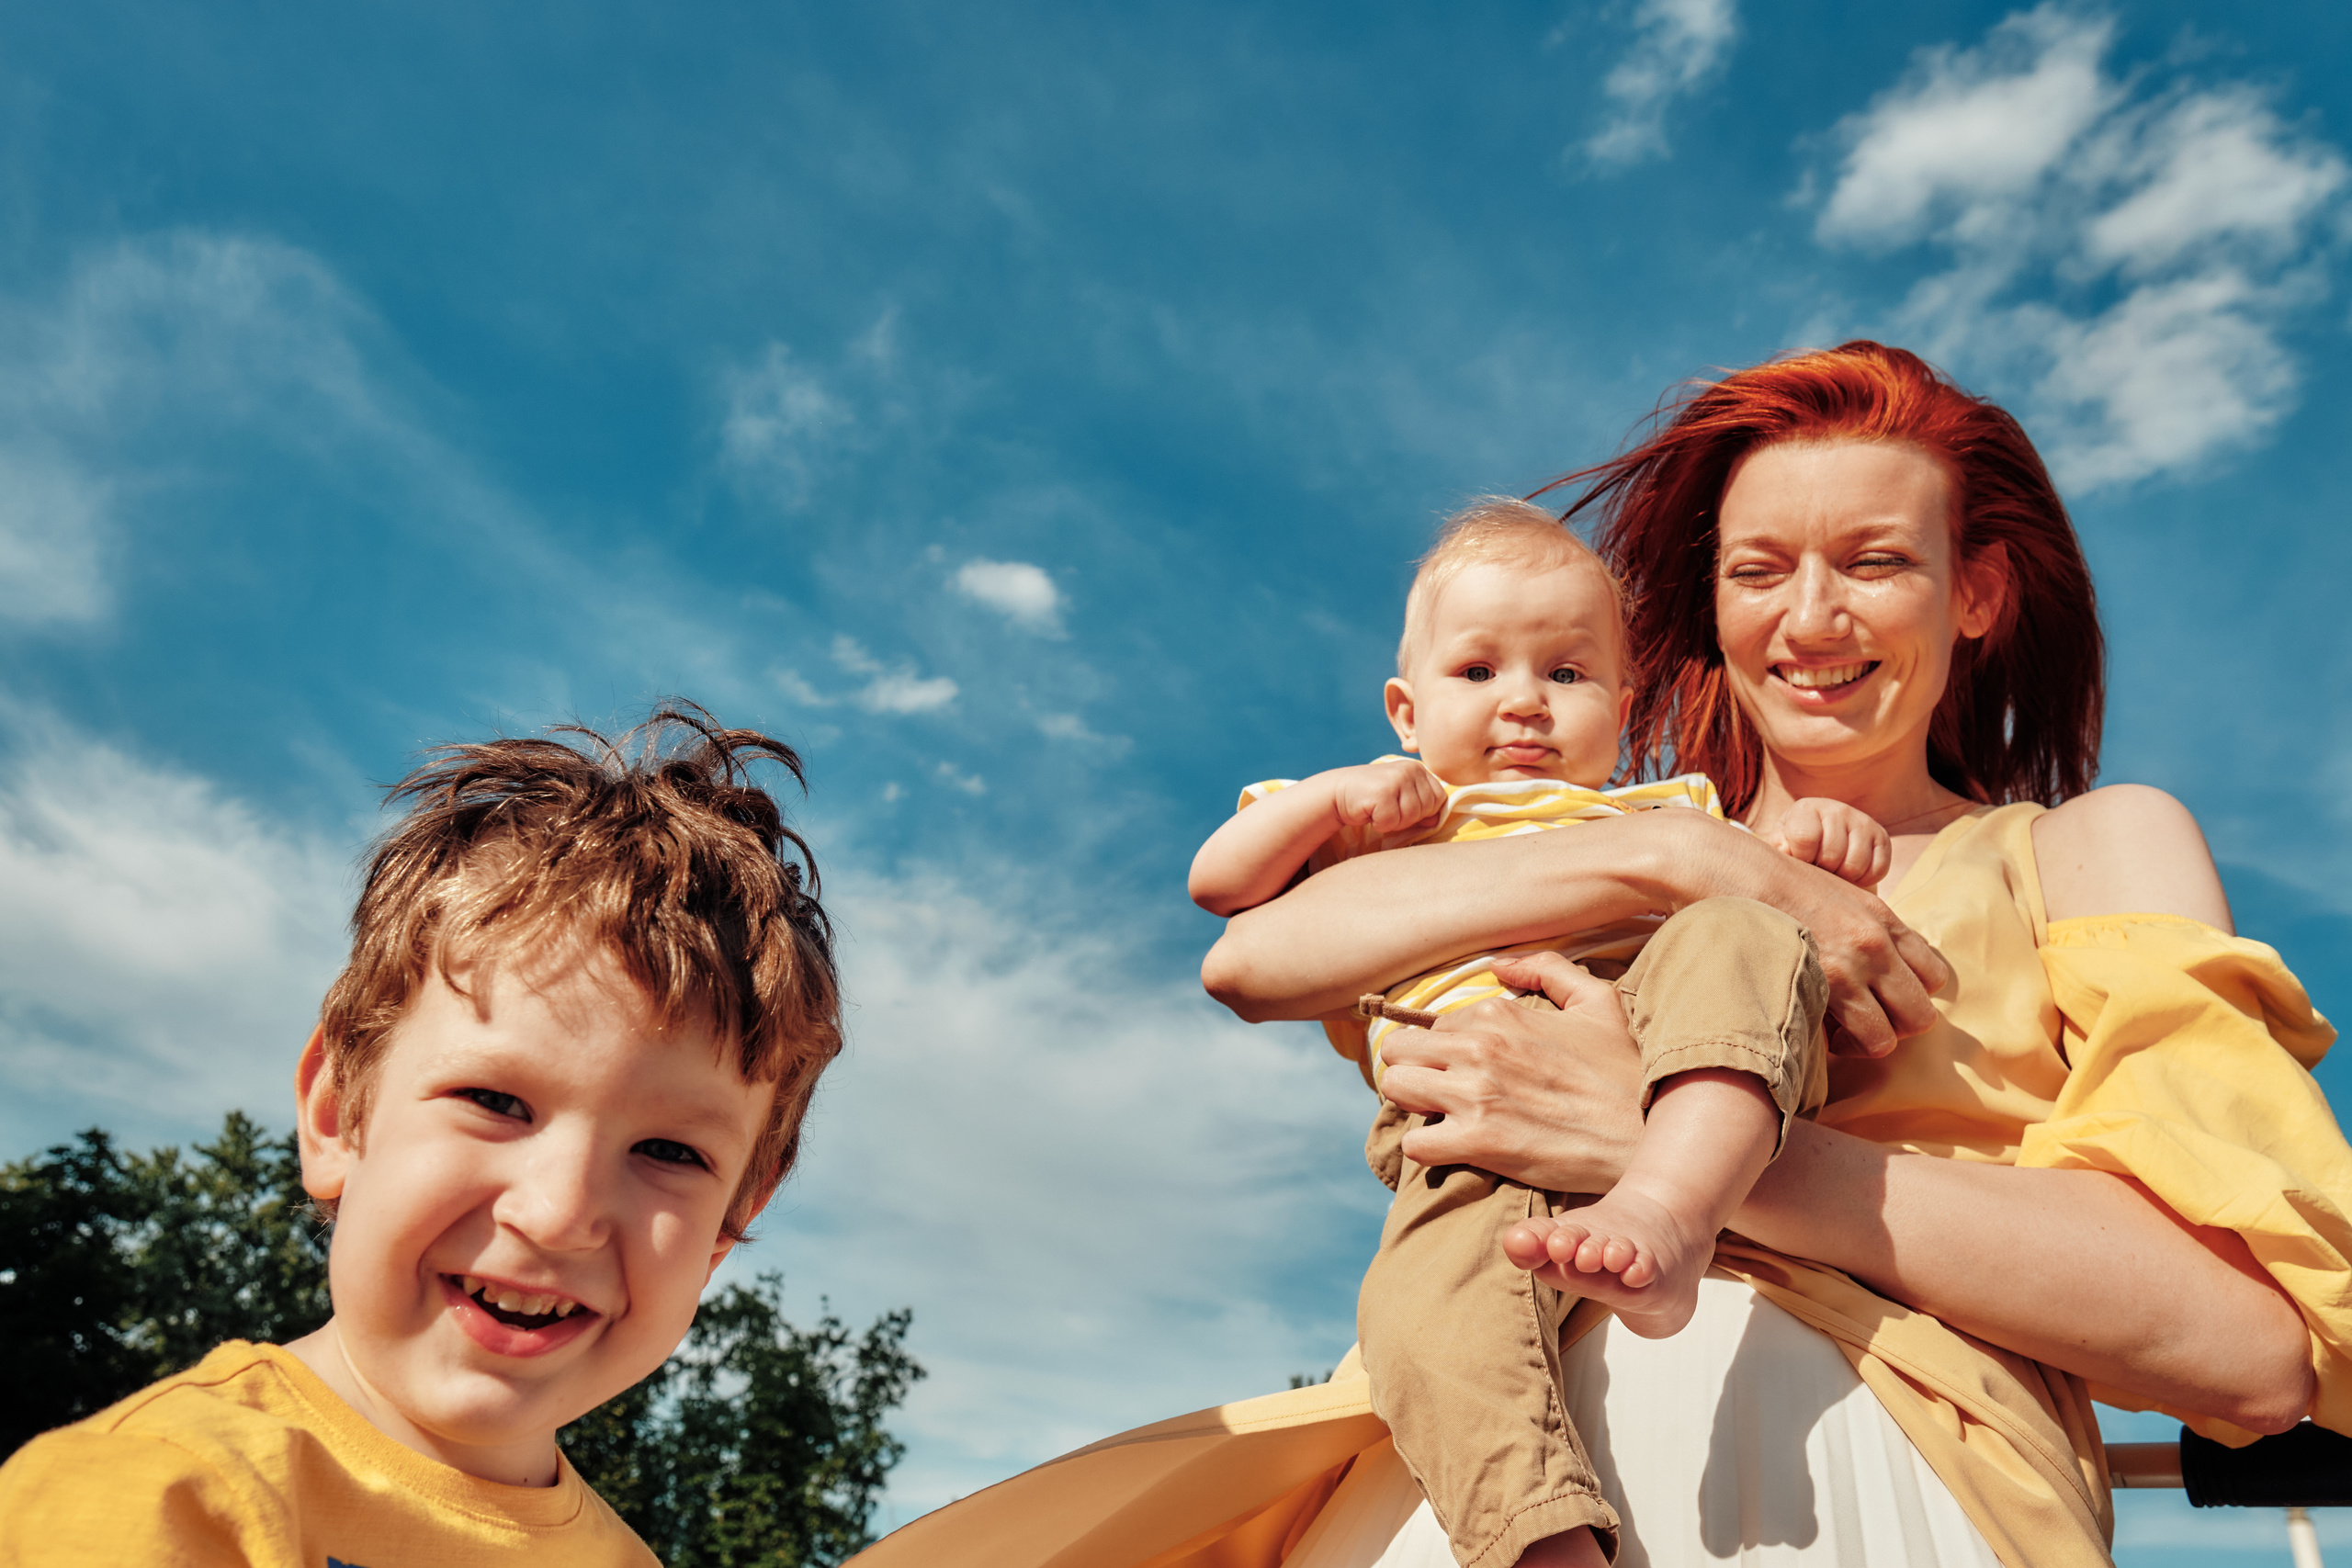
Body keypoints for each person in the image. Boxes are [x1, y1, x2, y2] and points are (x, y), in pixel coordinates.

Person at [844, 343, 2352, 1568]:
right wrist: (1680, 857)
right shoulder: (1595, 841)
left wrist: (1665, 1147)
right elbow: (1255, 957)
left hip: (1892, 1489)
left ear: (1976, 592)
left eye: (1877, 560)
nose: (1811, 616)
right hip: (1457, 1499)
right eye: (1759, 569)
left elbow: (2249, 1345)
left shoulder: (2085, 848)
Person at [1189, 497, 1894, 1566]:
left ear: (1621, 706)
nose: (1523, 702)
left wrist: (1812, 838)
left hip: (1663, 1057)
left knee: (1746, 931)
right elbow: (1221, 890)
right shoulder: (1387, 824)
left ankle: (1670, 1206)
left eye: (1565, 674)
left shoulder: (1671, 812)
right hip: (1466, 1127)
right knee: (1424, 1315)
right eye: (1477, 671)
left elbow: (1789, 920)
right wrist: (1334, 798)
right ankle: (1540, 1539)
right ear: (1405, 710)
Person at [0, 705, 844, 1568]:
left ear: (729, 1223)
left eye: (669, 1152)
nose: (559, 1214)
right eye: (495, 1100)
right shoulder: (155, 1500)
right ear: (339, 1111)